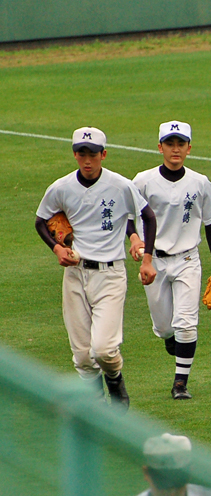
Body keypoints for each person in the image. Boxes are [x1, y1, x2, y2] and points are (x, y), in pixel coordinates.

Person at [34, 126, 157, 409]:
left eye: (92, 154)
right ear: (74, 154)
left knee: (104, 350)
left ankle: (114, 378)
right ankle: (97, 407)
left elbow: (148, 216)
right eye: (81, 153)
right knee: (82, 355)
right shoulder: (61, 187)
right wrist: (57, 248)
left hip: (110, 275)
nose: (87, 160)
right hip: (75, 274)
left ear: (104, 154)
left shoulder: (121, 186)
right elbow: (41, 221)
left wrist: (147, 258)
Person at [131, 121, 211, 400]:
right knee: (164, 328)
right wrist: (134, 239)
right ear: (160, 148)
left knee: (186, 323)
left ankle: (180, 384)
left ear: (189, 148)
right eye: (170, 144)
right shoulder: (143, 181)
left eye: (181, 144)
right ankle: (172, 340)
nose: (175, 149)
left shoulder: (200, 183)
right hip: (154, 261)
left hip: (187, 259)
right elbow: (128, 215)